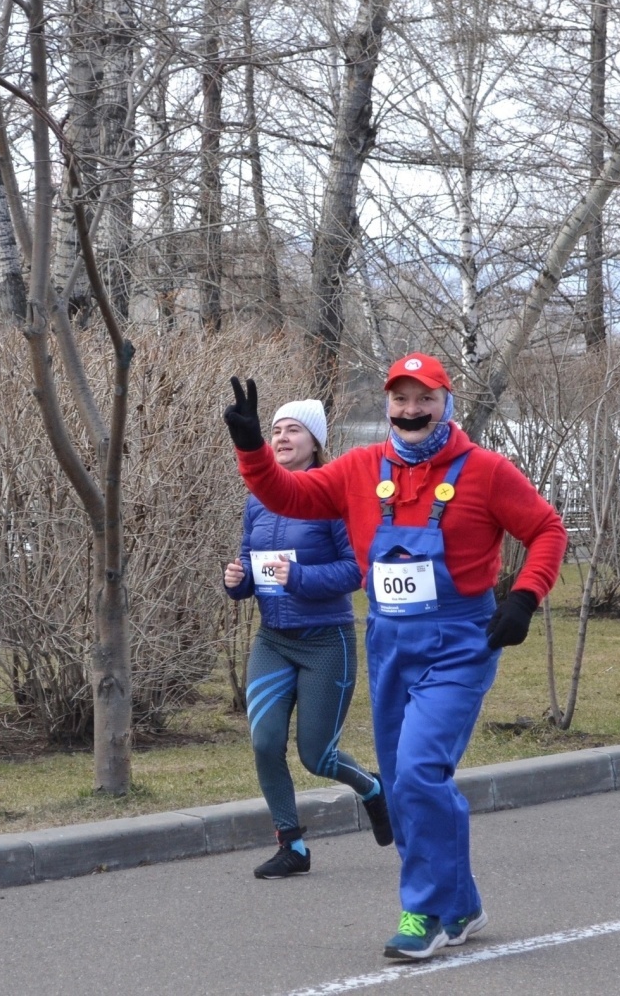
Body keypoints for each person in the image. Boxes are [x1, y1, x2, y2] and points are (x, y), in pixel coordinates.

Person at [222, 354, 566, 960]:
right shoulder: (359, 469)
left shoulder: (484, 472)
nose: (410, 412)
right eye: (400, 400)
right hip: (389, 641)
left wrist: (524, 597)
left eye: (423, 399)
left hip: (460, 642)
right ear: (387, 406)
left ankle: (423, 910)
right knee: (409, 783)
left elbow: (547, 531)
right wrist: (252, 447)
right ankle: (460, 902)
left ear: (445, 403)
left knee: (417, 773)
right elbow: (287, 494)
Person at [223, 399, 394, 880]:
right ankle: (291, 844)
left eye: (293, 430)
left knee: (317, 756)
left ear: (315, 441)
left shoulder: (334, 496)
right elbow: (251, 570)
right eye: (275, 430)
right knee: (265, 741)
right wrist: (238, 580)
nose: (280, 438)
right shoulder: (257, 500)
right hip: (274, 640)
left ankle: (374, 790)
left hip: (326, 643)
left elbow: (356, 569)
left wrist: (297, 577)